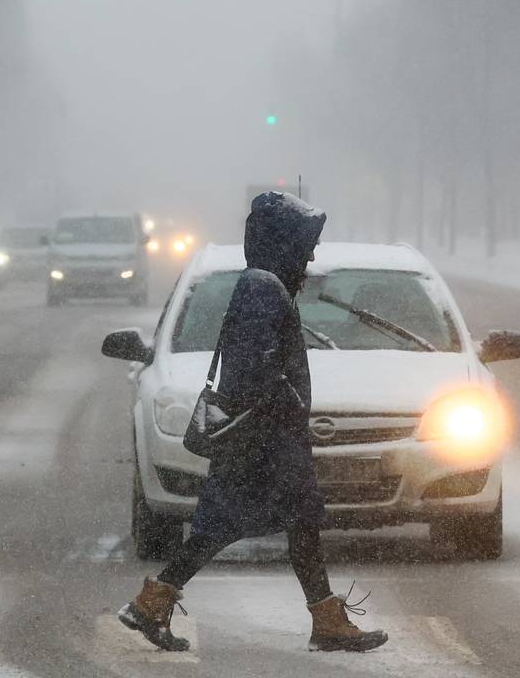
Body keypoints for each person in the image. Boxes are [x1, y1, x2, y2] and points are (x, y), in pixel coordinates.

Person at [118, 192, 388, 653]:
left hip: (263, 437)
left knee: (255, 524)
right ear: (281, 244)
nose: (311, 253)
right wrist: (288, 402)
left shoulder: (263, 283)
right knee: (277, 522)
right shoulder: (264, 288)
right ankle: (323, 621)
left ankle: (155, 601)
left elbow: (255, 364)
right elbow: (254, 366)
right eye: (304, 244)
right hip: (264, 440)